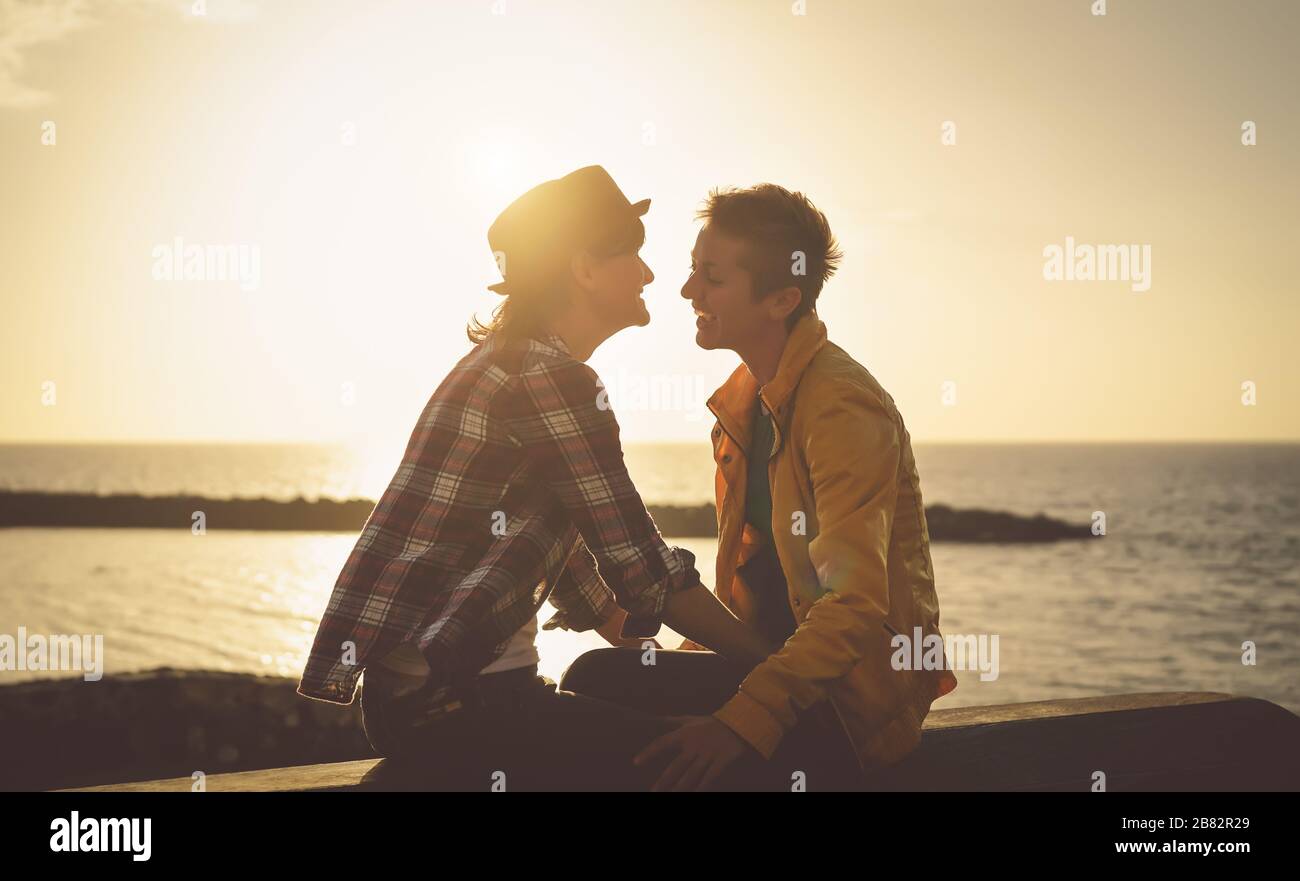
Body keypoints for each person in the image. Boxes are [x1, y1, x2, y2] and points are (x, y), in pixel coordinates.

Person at [296, 166, 772, 791]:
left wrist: (670, 662)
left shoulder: (509, 365)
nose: (651, 274)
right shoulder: (552, 379)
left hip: (427, 706)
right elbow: (645, 569)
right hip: (463, 710)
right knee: (729, 761)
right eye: (632, 253)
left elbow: (581, 562)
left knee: (623, 684)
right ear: (583, 268)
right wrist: (775, 670)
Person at [560, 184, 959, 791]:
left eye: (711, 278)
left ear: (782, 299)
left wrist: (738, 723)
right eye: (694, 272)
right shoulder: (744, 401)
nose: (688, 291)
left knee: (598, 691)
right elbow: (756, 587)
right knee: (597, 681)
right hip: (777, 677)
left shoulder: (841, 406)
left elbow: (853, 607)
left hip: (847, 708)